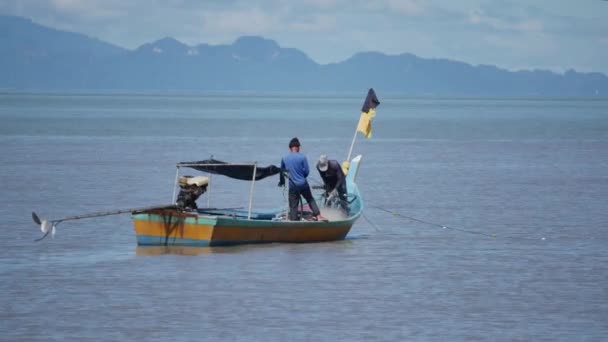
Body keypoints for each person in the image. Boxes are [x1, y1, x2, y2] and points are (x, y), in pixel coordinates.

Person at [278, 137, 325, 221]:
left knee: (293, 205)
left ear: (290, 148)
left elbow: (281, 171)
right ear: (298, 147)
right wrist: (301, 177)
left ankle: (294, 221)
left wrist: (281, 182)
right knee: (310, 199)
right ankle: (318, 215)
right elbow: (307, 171)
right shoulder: (302, 157)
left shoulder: (284, 158)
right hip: (303, 184)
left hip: (293, 186)